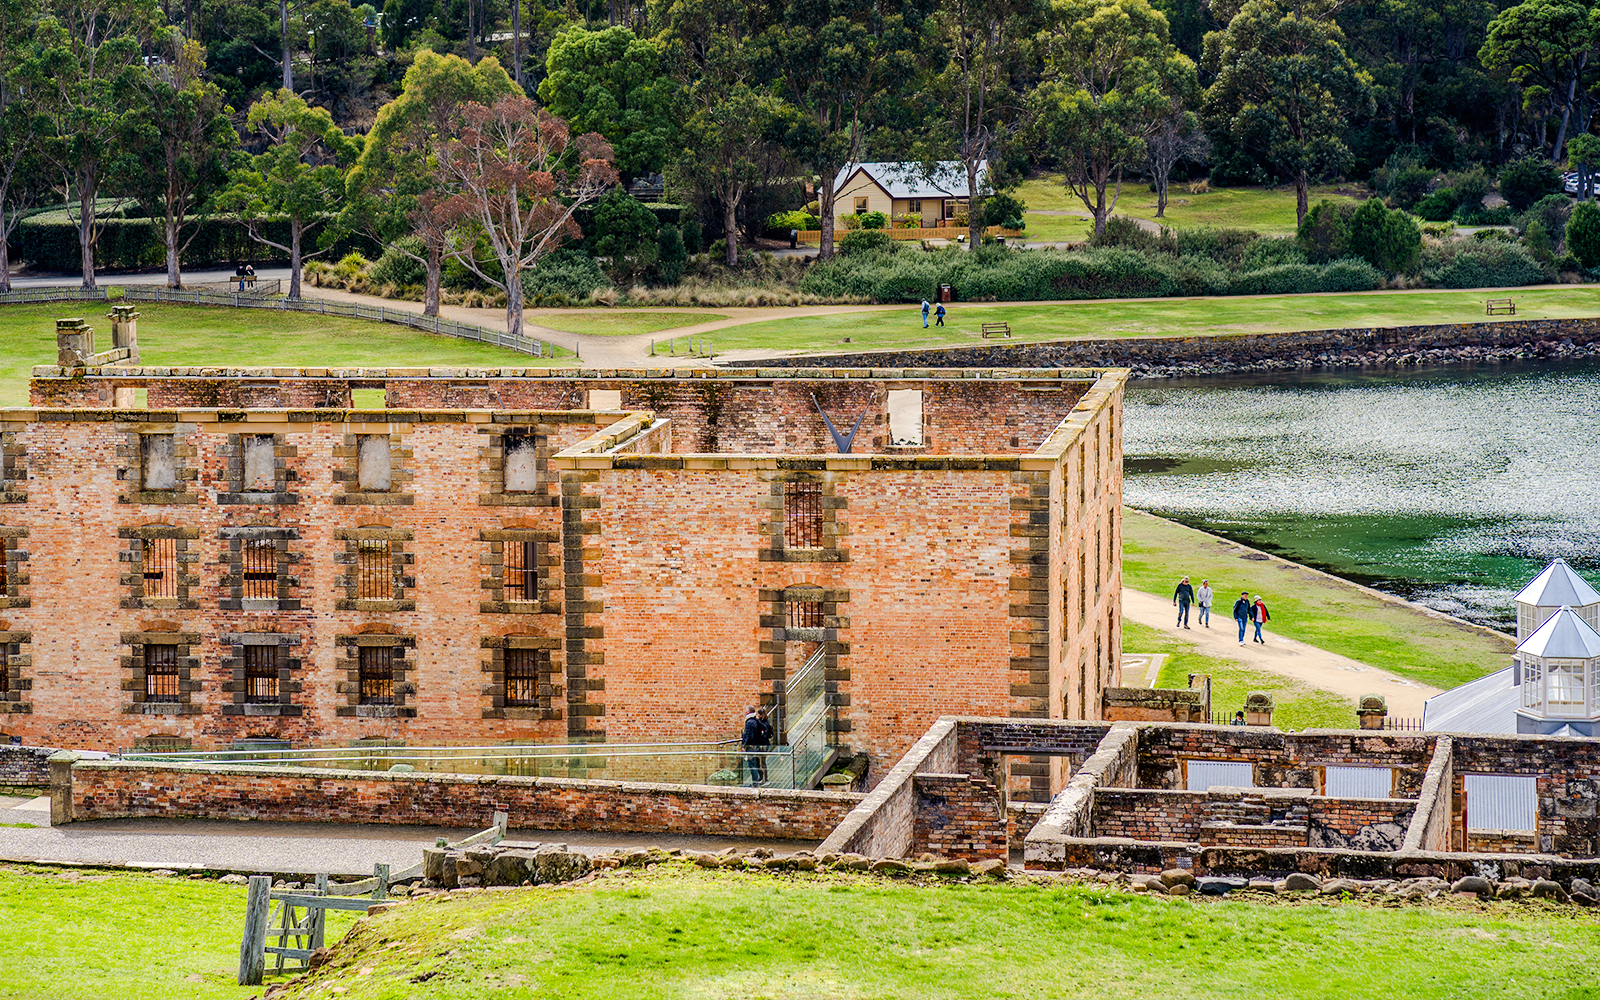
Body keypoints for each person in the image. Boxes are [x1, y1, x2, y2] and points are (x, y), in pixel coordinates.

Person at [741, 705, 767, 785]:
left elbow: (749, 736)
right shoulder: (756, 721)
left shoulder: (749, 722)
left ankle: (755, 781)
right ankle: (758, 779)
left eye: (746, 710)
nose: (745, 712)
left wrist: (744, 745)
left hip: (751, 746)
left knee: (752, 764)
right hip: (756, 745)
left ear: (748, 712)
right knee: (755, 763)